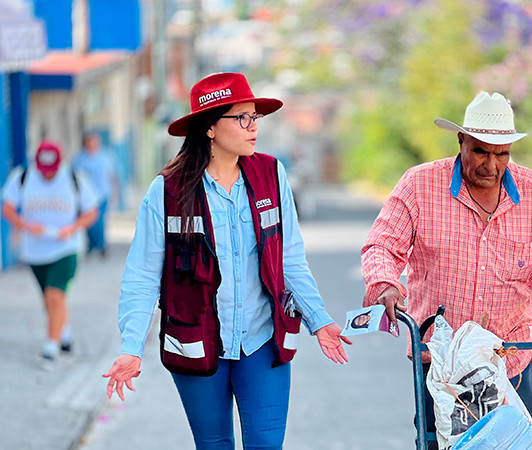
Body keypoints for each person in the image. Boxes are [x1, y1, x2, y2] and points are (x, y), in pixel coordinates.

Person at [102, 72, 351, 449]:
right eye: (243, 118)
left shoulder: (272, 175)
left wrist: (320, 321)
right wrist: (131, 347)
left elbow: (290, 260)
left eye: (256, 118)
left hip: (261, 341)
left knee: (266, 445)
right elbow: (142, 276)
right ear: (211, 128)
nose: (254, 128)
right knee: (214, 444)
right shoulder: (167, 191)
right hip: (197, 343)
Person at [361, 92, 532, 449]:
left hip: (508, 356)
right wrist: (385, 283)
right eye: (481, 151)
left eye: (502, 154)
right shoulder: (419, 184)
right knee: (442, 443)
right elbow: (382, 246)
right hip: (442, 362)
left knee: (513, 444)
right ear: (461, 141)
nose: (491, 165)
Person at [2, 140, 99, 367]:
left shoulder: (74, 177)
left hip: (66, 248)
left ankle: (51, 347)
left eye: (51, 172)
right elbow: (7, 207)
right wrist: (24, 225)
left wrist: (72, 228)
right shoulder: (23, 176)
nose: (47, 176)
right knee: (49, 299)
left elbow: (91, 211)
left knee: (55, 295)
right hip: (35, 251)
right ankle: (63, 332)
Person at [72, 132, 117, 257]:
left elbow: (112, 175)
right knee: (89, 222)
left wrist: (115, 191)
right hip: (86, 196)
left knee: (100, 221)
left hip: (103, 194)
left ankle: (102, 245)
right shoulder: (80, 159)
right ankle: (92, 245)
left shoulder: (105, 157)